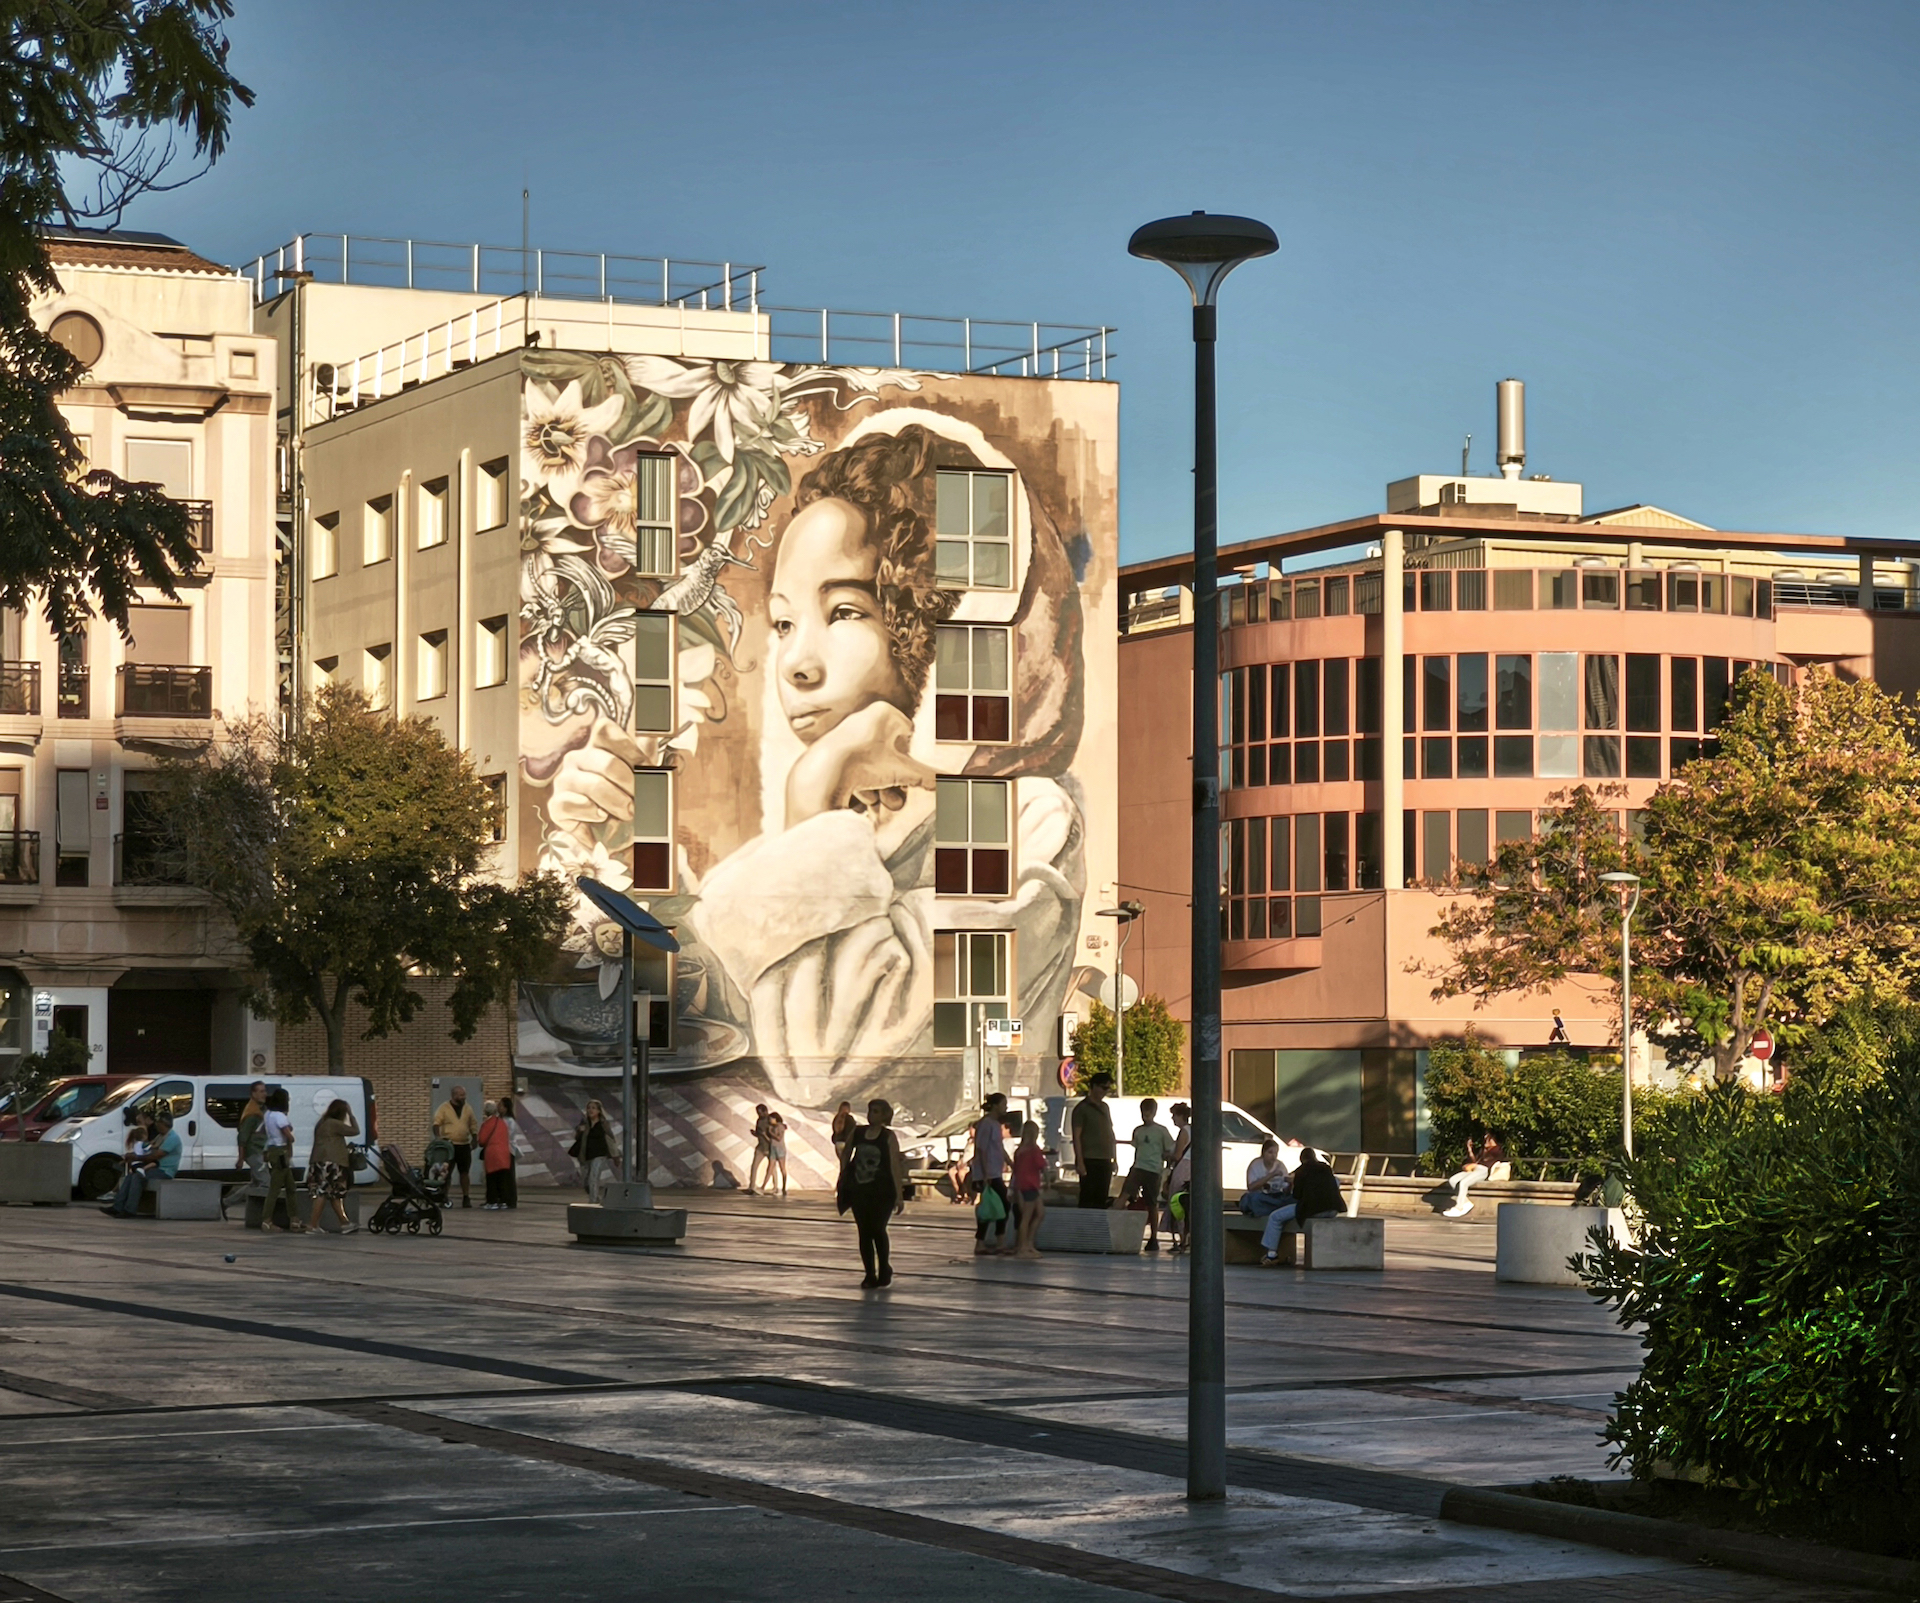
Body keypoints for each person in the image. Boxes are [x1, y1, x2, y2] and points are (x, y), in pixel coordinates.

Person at [837, 1098, 909, 1288]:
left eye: (876, 1111)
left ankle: (884, 1268)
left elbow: (894, 1165)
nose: (871, 1115)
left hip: (882, 1191)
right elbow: (846, 1153)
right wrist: (844, 1175)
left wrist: (899, 1195)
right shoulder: (859, 1132)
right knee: (864, 1232)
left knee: (878, 1229)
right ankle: (870, 1273)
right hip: (860, 1189)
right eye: (870, 1111)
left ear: (885, 1115)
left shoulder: (888, 1136)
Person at [1262, 1146, 1344, 1266]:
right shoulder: (1326, 1168)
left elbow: (1297, 1196)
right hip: (1333, 1210)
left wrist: (1292, 1184)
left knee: (1275, 1217)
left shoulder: (1302, 1170)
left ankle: (1272, 1254)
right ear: (1314, 1157)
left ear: (1302, 1160)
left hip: (1314, 1209)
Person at [104, 1109, 181, 1217]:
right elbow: (149, 1147)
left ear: (163, 1124)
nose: (156, 1125)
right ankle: (117, 1207)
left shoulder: (172, 1138)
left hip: (164, 1170)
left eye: (158, 1123)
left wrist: (136, 1157)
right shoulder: (160, 1136)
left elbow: (156, 1155)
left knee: (137, 1177)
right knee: (130, 1176)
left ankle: (130, 1210)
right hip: (154, 1168)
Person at [1122, 1098, 1176, 1251]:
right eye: (1143, 1112)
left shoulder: (1161, 1131)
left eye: (1149, 1112)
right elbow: (1137, 1148)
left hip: (1153, 1170)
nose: (1146, 1115)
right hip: (1138, 1167)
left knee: (1151, 1203)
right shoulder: (1138, 1130)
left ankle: (1153, 1237)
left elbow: (1169, 1149)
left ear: (1154, 1113)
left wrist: (1167, 1163)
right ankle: (1114, 1228)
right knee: (1124, 1195)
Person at [305, 1098, 361, 1235]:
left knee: (333, 1194)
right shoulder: (334, 1123)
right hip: (331, 1163)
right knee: (323, 1193)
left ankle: (344, 1223)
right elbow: (355, 1131)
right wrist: (351, 1114)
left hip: (318, 1161)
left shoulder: (322, 1122)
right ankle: (312, 1225)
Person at [971, 1093, 1011, 1256]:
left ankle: (987, 1242)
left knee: (994, 1206)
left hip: (994, 1172)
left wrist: (1010, 1163)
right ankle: (994, 1242)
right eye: (1003, 1104)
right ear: (995, 1105)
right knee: (1001, 1205)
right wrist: (986, 1173)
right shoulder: (986, 1124)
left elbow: (999, 1148)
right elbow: (982, 1148)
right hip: (987, 1174)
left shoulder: (995, 1124)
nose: (1005, 1107)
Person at [1071, 1073, 1117, 1209]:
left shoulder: (1105, 1107)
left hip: (1105, 1159)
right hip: (1089, 1159)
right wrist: (1080, 1161)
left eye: (1108, 1089)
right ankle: (1085, 1227)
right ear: (1094, 1087)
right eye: (1103, 1088)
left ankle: (1098, 1227)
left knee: (1101, 1197)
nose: (1105, 1092)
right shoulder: (1082, 1109)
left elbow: (1110, 1132)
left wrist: (1114, 1157)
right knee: (1088, 1197)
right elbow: (1076, 1136)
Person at [259, 1086, 300, 1232]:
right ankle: (266, 1220)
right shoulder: (280, 1116)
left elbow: (264, 1131)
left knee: (290, 1186)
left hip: (272, 1150)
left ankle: (294, 1218)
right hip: (281, 1151)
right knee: (275, 1188)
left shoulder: (268, 1114)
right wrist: (291, 1136)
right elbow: (288, 1135)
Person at [433, 1085, 481, 1209]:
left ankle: (466, 1197)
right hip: (449, 1145)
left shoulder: (468, 1108)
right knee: (446, 1173)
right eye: (461, 1095)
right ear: (454, 1096)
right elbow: (436, 1123)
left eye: (464, 1095)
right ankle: (444, 1196)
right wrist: (438, 1138)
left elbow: (473, 1124)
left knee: (464, 1172)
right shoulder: (444, 1108)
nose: (463, 1097)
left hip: (464, 1145)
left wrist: (474, 1138)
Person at [1443, 1132, 1507, 1218]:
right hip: (1475, 1169)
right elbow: (1475, 1161)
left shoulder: (1496, 1149)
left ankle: (1459, 1207)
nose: (1485, 1140)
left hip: (1484, 1170)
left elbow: (1492, 1161)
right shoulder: (1483, 1149)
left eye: (1488, 1138)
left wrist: (1486, 1149)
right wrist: (1470, 1149)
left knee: (1463, 1183)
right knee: (1453, 1180)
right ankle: (1465, 1202)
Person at [1010, 1120, 1049, 1258]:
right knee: (1027, 1218)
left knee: (1039, 1213)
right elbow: (1042, 1166)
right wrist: (1048, 1180)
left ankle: (1028, 1243)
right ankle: (1023, 1248)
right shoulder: (1034, 1149)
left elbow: (1016, 1170)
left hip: (1020, 1186)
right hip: (1031, 1186)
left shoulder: (1019, 1151)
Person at [570, 1099, 617, 1200]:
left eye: (593, 1108)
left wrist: (615, 1156)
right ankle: (596, 1198)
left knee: (593, 1178)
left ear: (599, 1111)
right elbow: (578, 1139)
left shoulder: (603, 1125)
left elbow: (610, 1139)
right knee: (586, 1183)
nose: (590, 1110)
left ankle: (593, 1202)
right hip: (585, 1156)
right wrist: (579, 1131)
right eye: (589, 1108)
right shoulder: (584, 1124)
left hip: (599, 1155)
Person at [1163, 1102, 1193, 1254]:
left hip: (1182, 1169)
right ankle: (1187, 1239)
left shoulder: (1184, 1132)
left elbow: (1177, 1155)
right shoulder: (1195, 1130)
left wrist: (1166, 1155)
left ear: (1181, 1116)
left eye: (1174, 1115)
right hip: (1191, 1169)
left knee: (1177, 1204)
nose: (1173, 1118)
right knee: (1187, 1204)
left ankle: (1182, 1240)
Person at [476, 1099, 512, 1210]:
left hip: (492, 1155)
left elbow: (481, 1140)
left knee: (492, 1179)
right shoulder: (502, 1123)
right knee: (502, 1180)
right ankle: (503, 1201)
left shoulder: (487, 1124)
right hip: (505, 1154)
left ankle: (492, 1201)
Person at [746, 1104, 772, 1196]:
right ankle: (752, 1186)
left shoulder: (770, 1120)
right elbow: (758, 1133)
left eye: (760, 1113)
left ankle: (775, 1187)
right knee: (754, 1166)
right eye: (758, 1113)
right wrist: (754, 1133)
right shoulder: (759, 1121)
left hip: (770, 1147)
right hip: (760, 1147)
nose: (759, 1115)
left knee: (772, 1168)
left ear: (765, 1111)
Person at [766, 1110, 790, 1198]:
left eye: (771, 1119)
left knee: (782, 1168)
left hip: (780, 1149)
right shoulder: (772, 1126)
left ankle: (784, 1187)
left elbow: (779, 1138)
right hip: (773, 1148)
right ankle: (763, 1186)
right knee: (770, 1167)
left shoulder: (780, 1127)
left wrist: (770, 1133)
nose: (770, 1121)